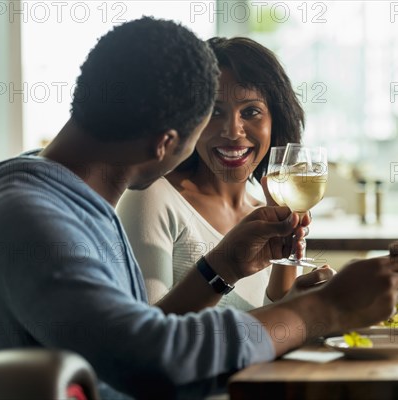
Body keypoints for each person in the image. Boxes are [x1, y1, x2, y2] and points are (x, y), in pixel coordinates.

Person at [0, 17, 398, 399]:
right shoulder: (34, 218)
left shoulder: (64, 198)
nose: (229, 136)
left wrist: (224, 265)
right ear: (166, 143)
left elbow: (142, 332)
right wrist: (325, 309)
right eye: (204, 126)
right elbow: (150, 360)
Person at [117, 37, 307, 308]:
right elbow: (147, 338)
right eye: (214, 111)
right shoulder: (151, 198)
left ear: (276, 120)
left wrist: (307, 298)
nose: (232, 131)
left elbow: (275, 334)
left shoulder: (271, 213)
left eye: (251, 111)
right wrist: (222, 268)